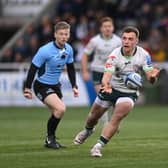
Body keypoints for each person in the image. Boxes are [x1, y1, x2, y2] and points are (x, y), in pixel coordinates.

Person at [74, 26, 160, 157]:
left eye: (130, 39)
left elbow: (149, 76)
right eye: (124, 38)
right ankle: (87, 131)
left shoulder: (144, 55)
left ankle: (98, 146)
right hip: (111, 88)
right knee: (93, 116)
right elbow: (107, 74)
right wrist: (105, 84)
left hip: (128, 92)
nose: (126, 41)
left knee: (116, 117)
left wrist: (153, 77)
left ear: (136, 41)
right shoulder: (114, 55)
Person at [23, 21, 79, 149]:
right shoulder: (44, 50)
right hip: (41, 85)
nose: (64, 37)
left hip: (55, 86)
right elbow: (33, 69)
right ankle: (50, 139)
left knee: (56, 112)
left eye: (66, 34)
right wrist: (27, 88)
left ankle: (50, 140)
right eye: (61, 34)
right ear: (55, 35)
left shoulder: (69, 49)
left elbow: (70, 68)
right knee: (61, 109)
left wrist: (74, 85)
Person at [81, 16, 121, 125]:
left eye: (109, 26)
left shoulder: (118, 41)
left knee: (115, 99)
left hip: (112, 72)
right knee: (102, 98)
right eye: (105, 26)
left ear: (113, 28)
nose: (107, 28)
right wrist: (84, 72)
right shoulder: (94, 41)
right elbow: (84, 55)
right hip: (98, 71)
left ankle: (114, 121)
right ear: (101, 28)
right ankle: (105, 124)